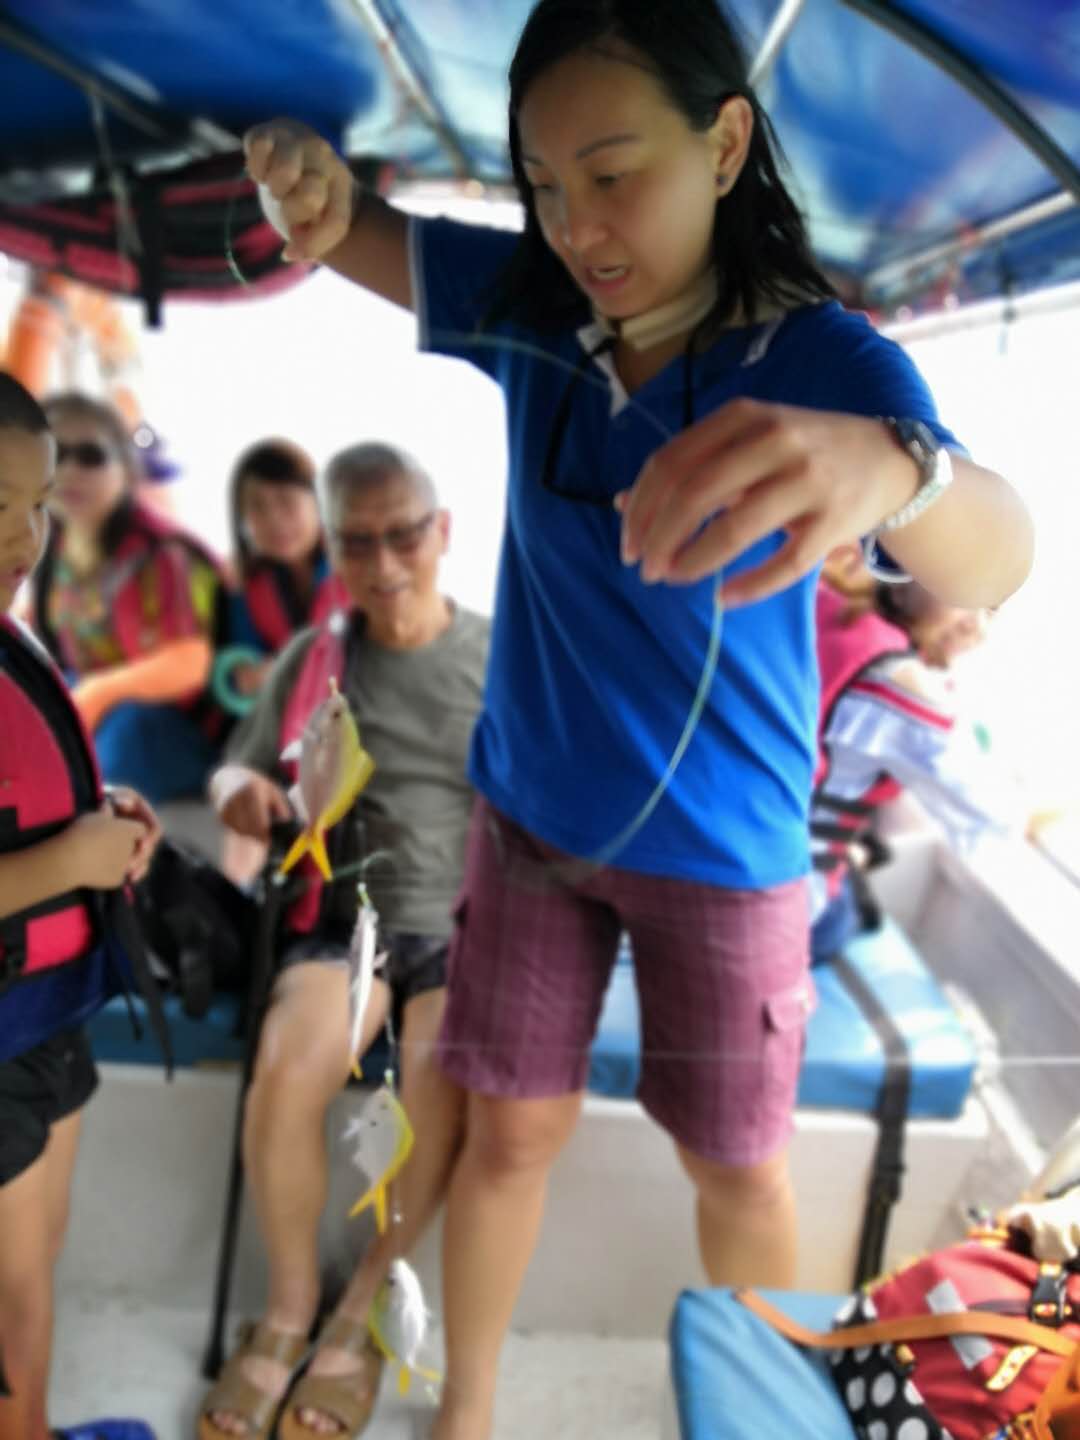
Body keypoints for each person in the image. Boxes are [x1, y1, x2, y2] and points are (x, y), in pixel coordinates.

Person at [244, 2, 1033, 1434]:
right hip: (529, 825)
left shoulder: (825, 362)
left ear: (724, 144)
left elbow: (1003, 552)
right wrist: (305, 180)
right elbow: (358, 229)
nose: (578, 227)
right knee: (508, 1137)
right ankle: (468, 1410)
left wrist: (895, 471)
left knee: (736, 1167)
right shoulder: (529, 305)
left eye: (613, 173)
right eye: (544, 184)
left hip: (727, 854)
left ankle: (765, 1413)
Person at [199, 443, 489, 1440]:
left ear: (442, 531)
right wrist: (244, 794)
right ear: (332, 548)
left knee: (441, 1093)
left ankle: (359, 1312)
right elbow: (233, 770)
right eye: (357, 542)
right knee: (286, 1073)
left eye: (404, 534)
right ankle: (286, 1311)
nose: (385, 562)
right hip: (341, 921)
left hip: (461, 929)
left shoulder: (501, 659)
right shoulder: (315, 659)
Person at [0, 372, 162, 1440]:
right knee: (7, 1289)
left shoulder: (11, 635)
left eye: (39, 502)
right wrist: (73, 858)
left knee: (40, 1248)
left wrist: (97, 825)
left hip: (48, 1011)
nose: (26, 536)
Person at [810, 545, 1015, 960]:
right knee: (843, 915)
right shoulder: (900, 684)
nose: (976, 625)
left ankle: (860, 853)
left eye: (991, 610)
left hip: (714, 829)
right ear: (904, 578)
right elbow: (996, 818)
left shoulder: (823, 598)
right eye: (966, 596)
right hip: (781, 884)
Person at [29, 392, 227, 806]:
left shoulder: (163, 553)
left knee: (120, 734)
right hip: (96, 702)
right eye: (55, 454)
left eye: (91, 456)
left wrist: (97, 693)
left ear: (125, 467)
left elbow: (190, 662)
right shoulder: (53, 546)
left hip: (171, 727)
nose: (69, 471)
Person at [221, 437, 347, 707]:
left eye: (286, 502)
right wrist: (244, 678)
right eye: (257, 506)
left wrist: (282, 671)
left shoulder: (356, 568)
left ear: (319, 502)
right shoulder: (245, 588)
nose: (274, 520)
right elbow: (239, 661)